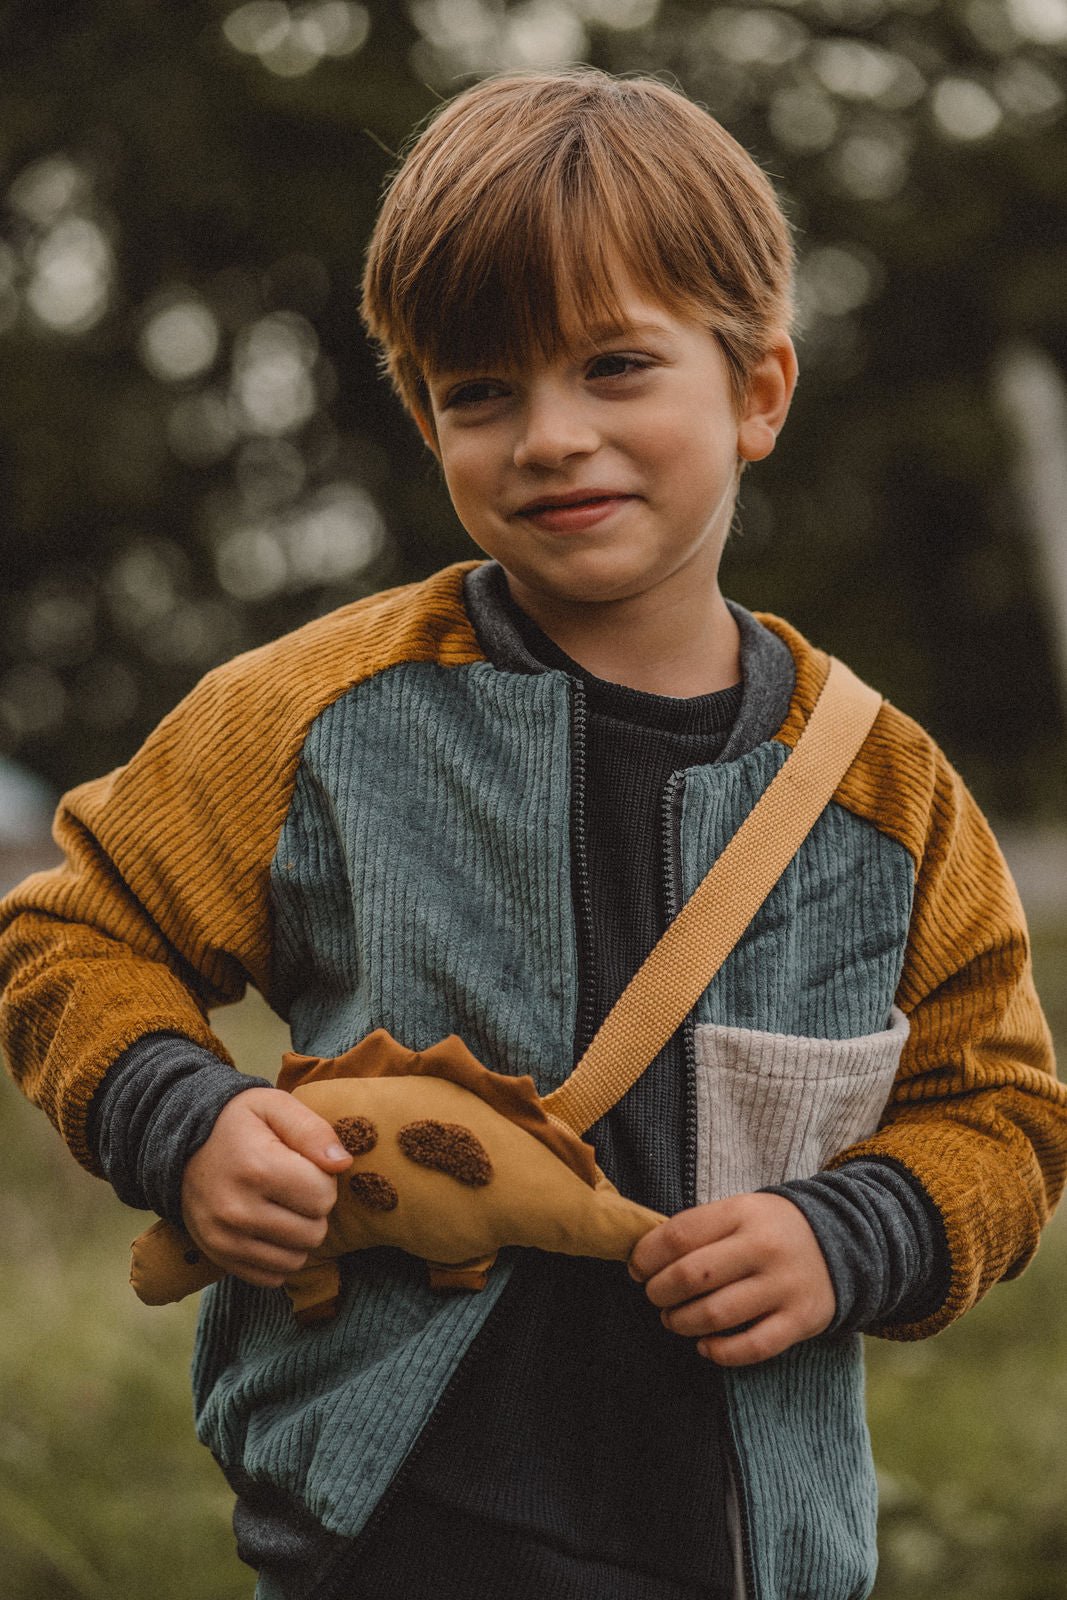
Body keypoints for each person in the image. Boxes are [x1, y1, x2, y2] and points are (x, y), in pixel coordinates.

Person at [1, 67, 1063, 1600]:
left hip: (740, 1546)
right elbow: (73, 929)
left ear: (759, 390)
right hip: (383, 1538)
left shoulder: (885, 797)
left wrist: (857, 1235)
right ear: (425, 412)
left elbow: (1007, 1114)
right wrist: (187, 1124)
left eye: (616, 365)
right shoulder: (314, 718)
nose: (551, 436)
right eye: (481, 391)